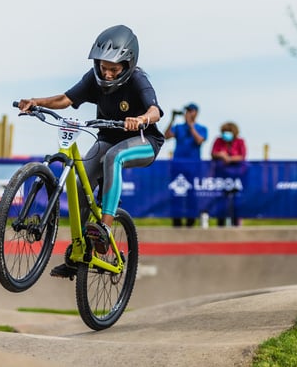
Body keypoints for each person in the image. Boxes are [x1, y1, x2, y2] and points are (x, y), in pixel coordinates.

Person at [17, 24, 164, 277]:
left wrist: (140, 119)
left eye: (113, 69)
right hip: (107, 137)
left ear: (127, 65)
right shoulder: (93, 78)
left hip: (143, 140)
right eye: (103, 67)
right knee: (80, 181)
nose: (107, 73)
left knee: (113, 157)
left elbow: (156, 111)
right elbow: (66, 99)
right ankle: (80, 252)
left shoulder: (138, 80)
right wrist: (36, 103)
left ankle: (105, 228)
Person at [164, 102, 207, 227]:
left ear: (196, 113)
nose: (188, 113)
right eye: (186, 111)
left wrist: (190, 125)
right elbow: (166, 136)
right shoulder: (178, 127)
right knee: (176, 193)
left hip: (193, 168)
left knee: (192, 195)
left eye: (190, 111)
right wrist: (171, 120)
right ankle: (176, 221)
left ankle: (191, 221)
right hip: (178, 166)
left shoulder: (201, 128)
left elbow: (199, 140)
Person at [210, 121, 247, 226]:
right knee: (221, 202)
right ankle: (220, 225)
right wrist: (221, 155)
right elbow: (213, 153)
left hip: (237, 176)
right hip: (221, 176)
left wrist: (230, 159)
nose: (226, 134)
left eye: (228, 132)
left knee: (236, 203)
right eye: (224, 132)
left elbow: (242, 156)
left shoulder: (240, 141)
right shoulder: (218, 140)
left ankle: (237, 224)